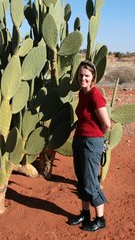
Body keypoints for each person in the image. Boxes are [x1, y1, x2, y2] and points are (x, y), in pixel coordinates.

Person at [68, 60, 111, 231]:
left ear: (93, 77)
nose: (83, 78)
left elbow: (106, 124)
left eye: (86, 76)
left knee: (91, 181)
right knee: (82, 179)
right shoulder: (82, 93)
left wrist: (97, 138)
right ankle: (85, 213)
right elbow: (85, 116)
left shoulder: (95, 95)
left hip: (91, 143)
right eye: (80, 75)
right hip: (79, 140)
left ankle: (100, 219)